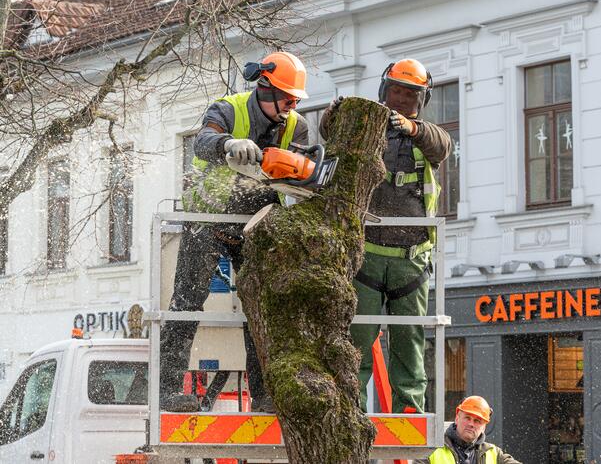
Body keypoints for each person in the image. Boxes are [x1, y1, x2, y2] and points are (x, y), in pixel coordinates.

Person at [160, 51, 309, 413]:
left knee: (260, 306)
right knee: (187, 301)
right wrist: (227, 144)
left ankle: (263, 393)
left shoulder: (296, 126)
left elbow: (300, 168)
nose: (291, 106)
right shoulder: (228, 109)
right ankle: (166, 387)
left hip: (256, 220)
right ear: (266, 87)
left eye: (295, 100)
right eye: (287, 98)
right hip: (207, 217)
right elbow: (202, 141)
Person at [320, 58, 453, 413]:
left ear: (421, 100)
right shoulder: (368, 129)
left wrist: (412, 128)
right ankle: (351, 406)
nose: (400, 101)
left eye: (409, 96)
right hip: (367, 255)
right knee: (358, 339)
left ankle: (409, 405)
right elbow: (329, 137)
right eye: (396, 92)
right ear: (383, 91)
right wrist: (333, 117)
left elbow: (442, 145)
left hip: (411, 259)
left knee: (409, 340)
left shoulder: (426, 137)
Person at [417, 396, 522, 464]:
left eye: (477, 421)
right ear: (457, 418)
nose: (471, 424)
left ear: (484, 427)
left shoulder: (494, 453)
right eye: (467, 418)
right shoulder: (431, 450)